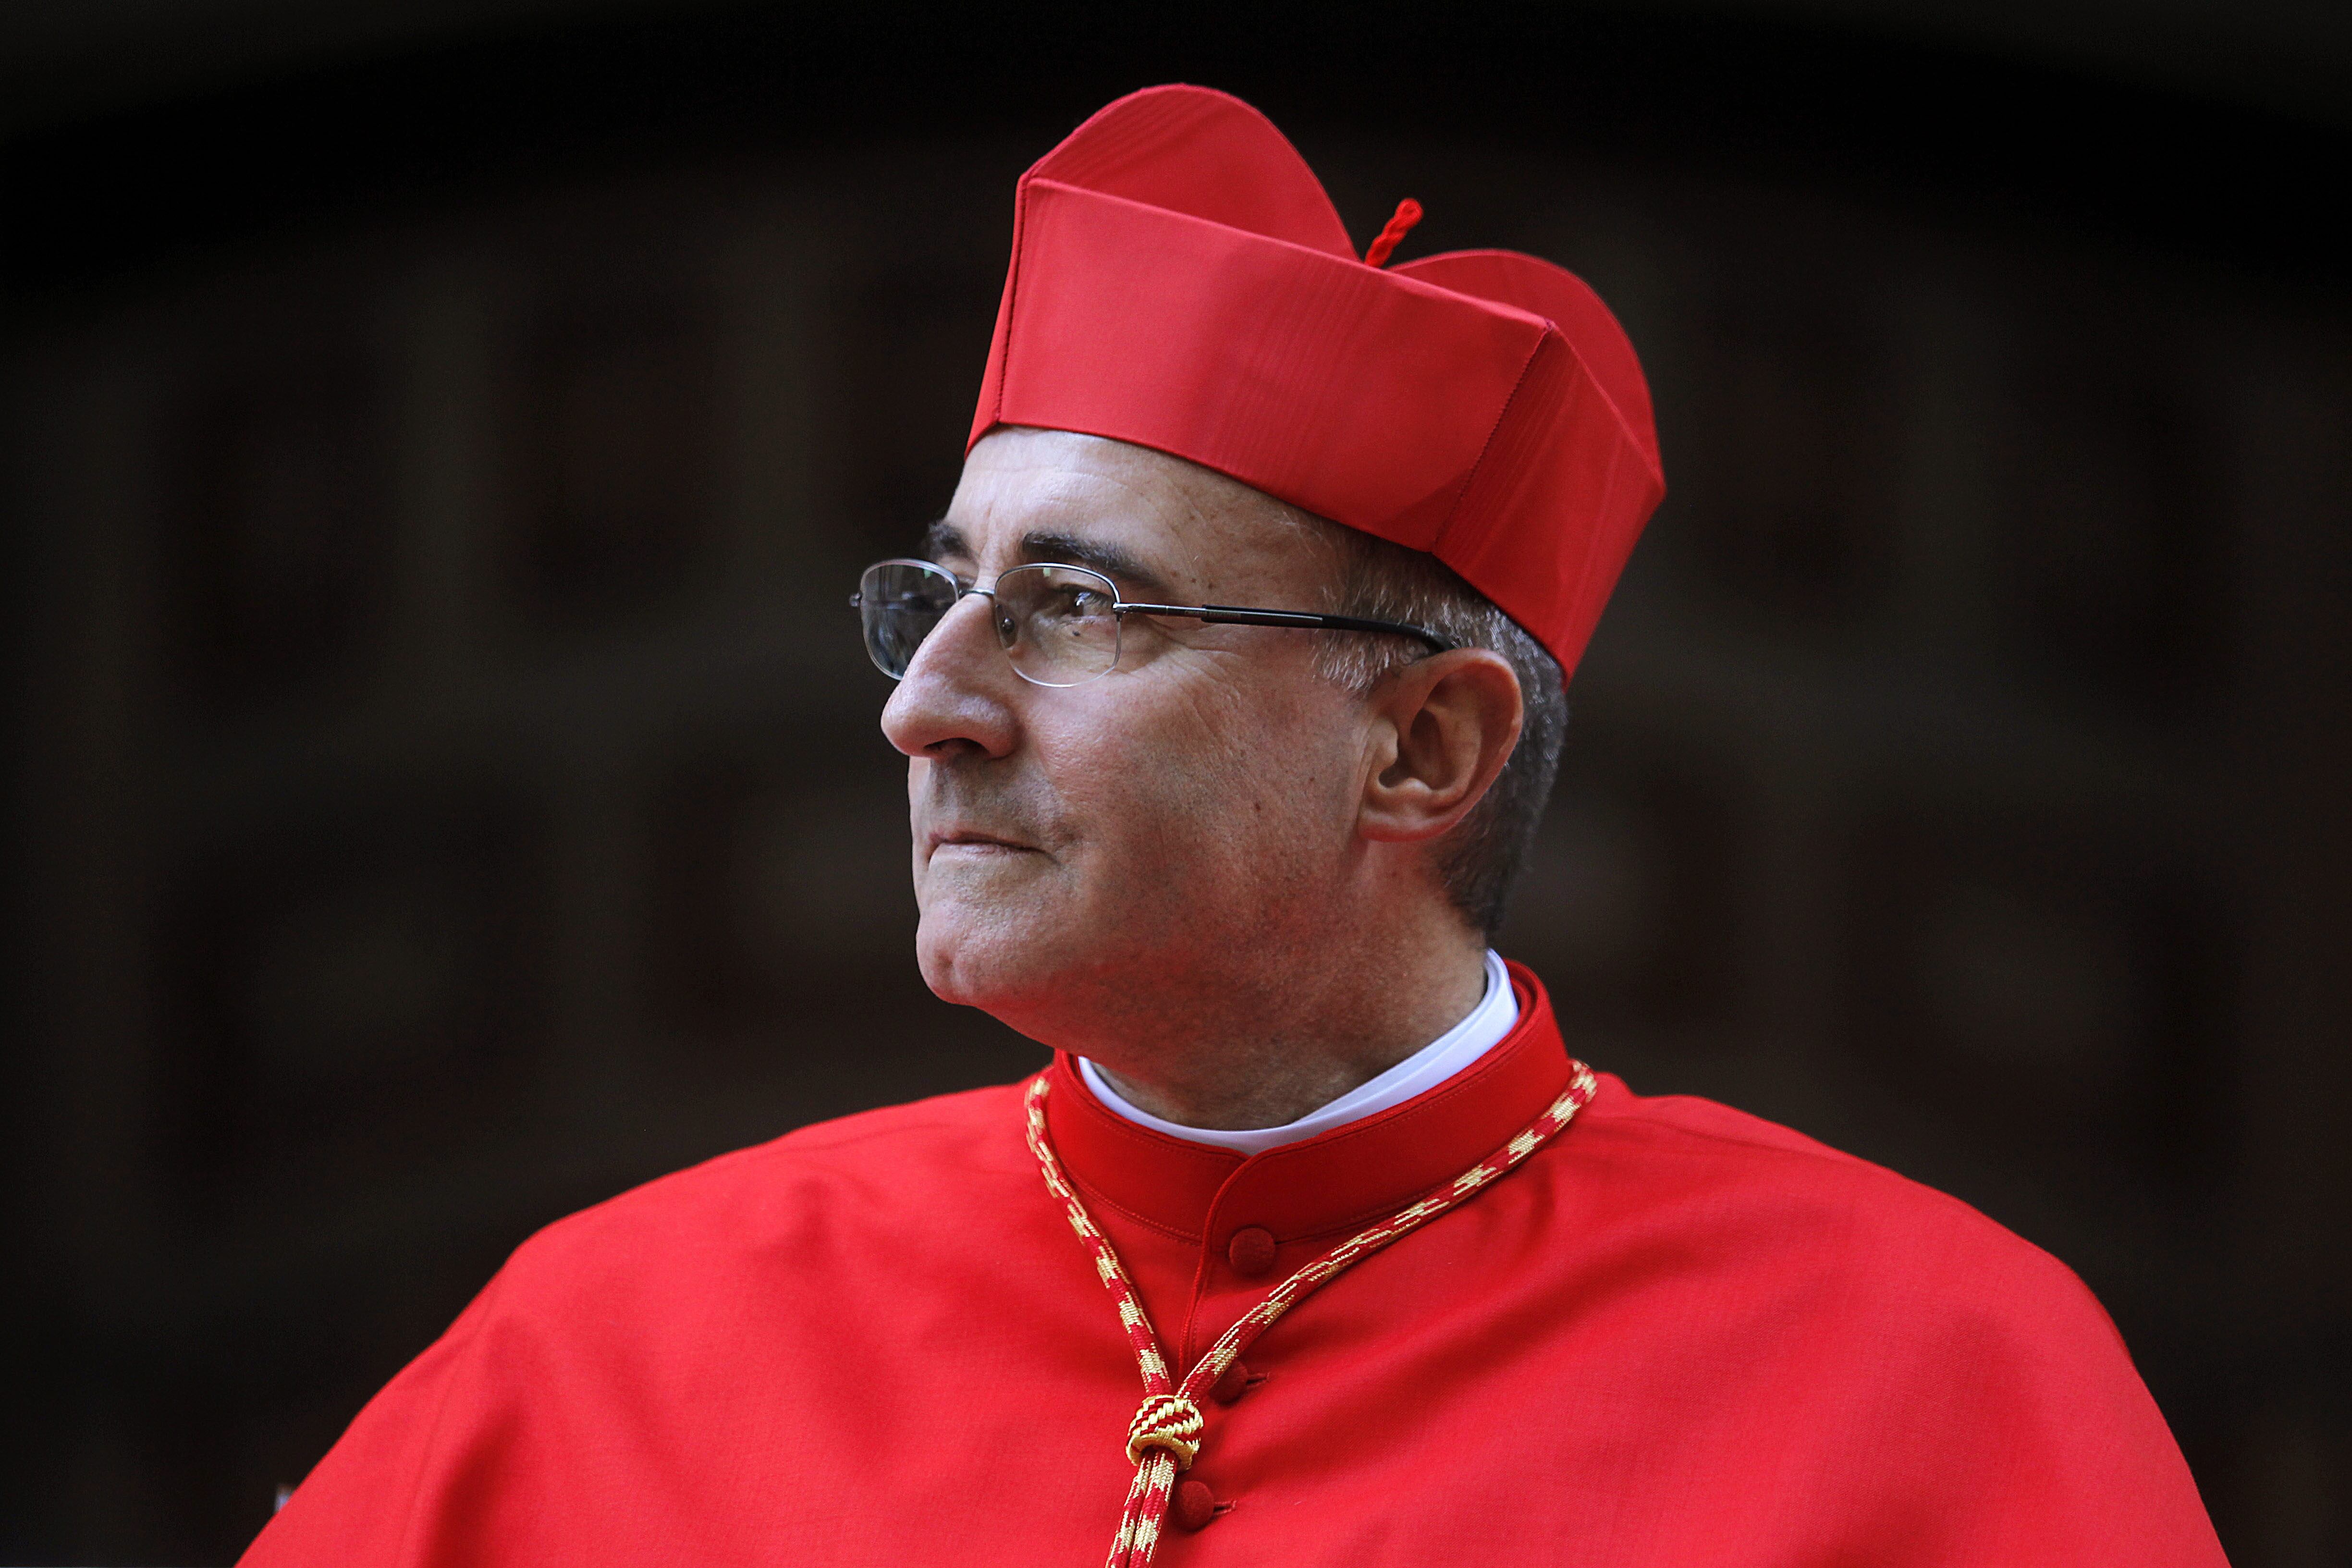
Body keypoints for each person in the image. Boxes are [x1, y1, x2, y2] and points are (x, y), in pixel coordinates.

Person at [241, 85, 2226, 1566]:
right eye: (935, 596)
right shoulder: (603, 1341)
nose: (923, 704)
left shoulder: (1936, 1374)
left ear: (1426, 752)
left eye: (1078, 608)